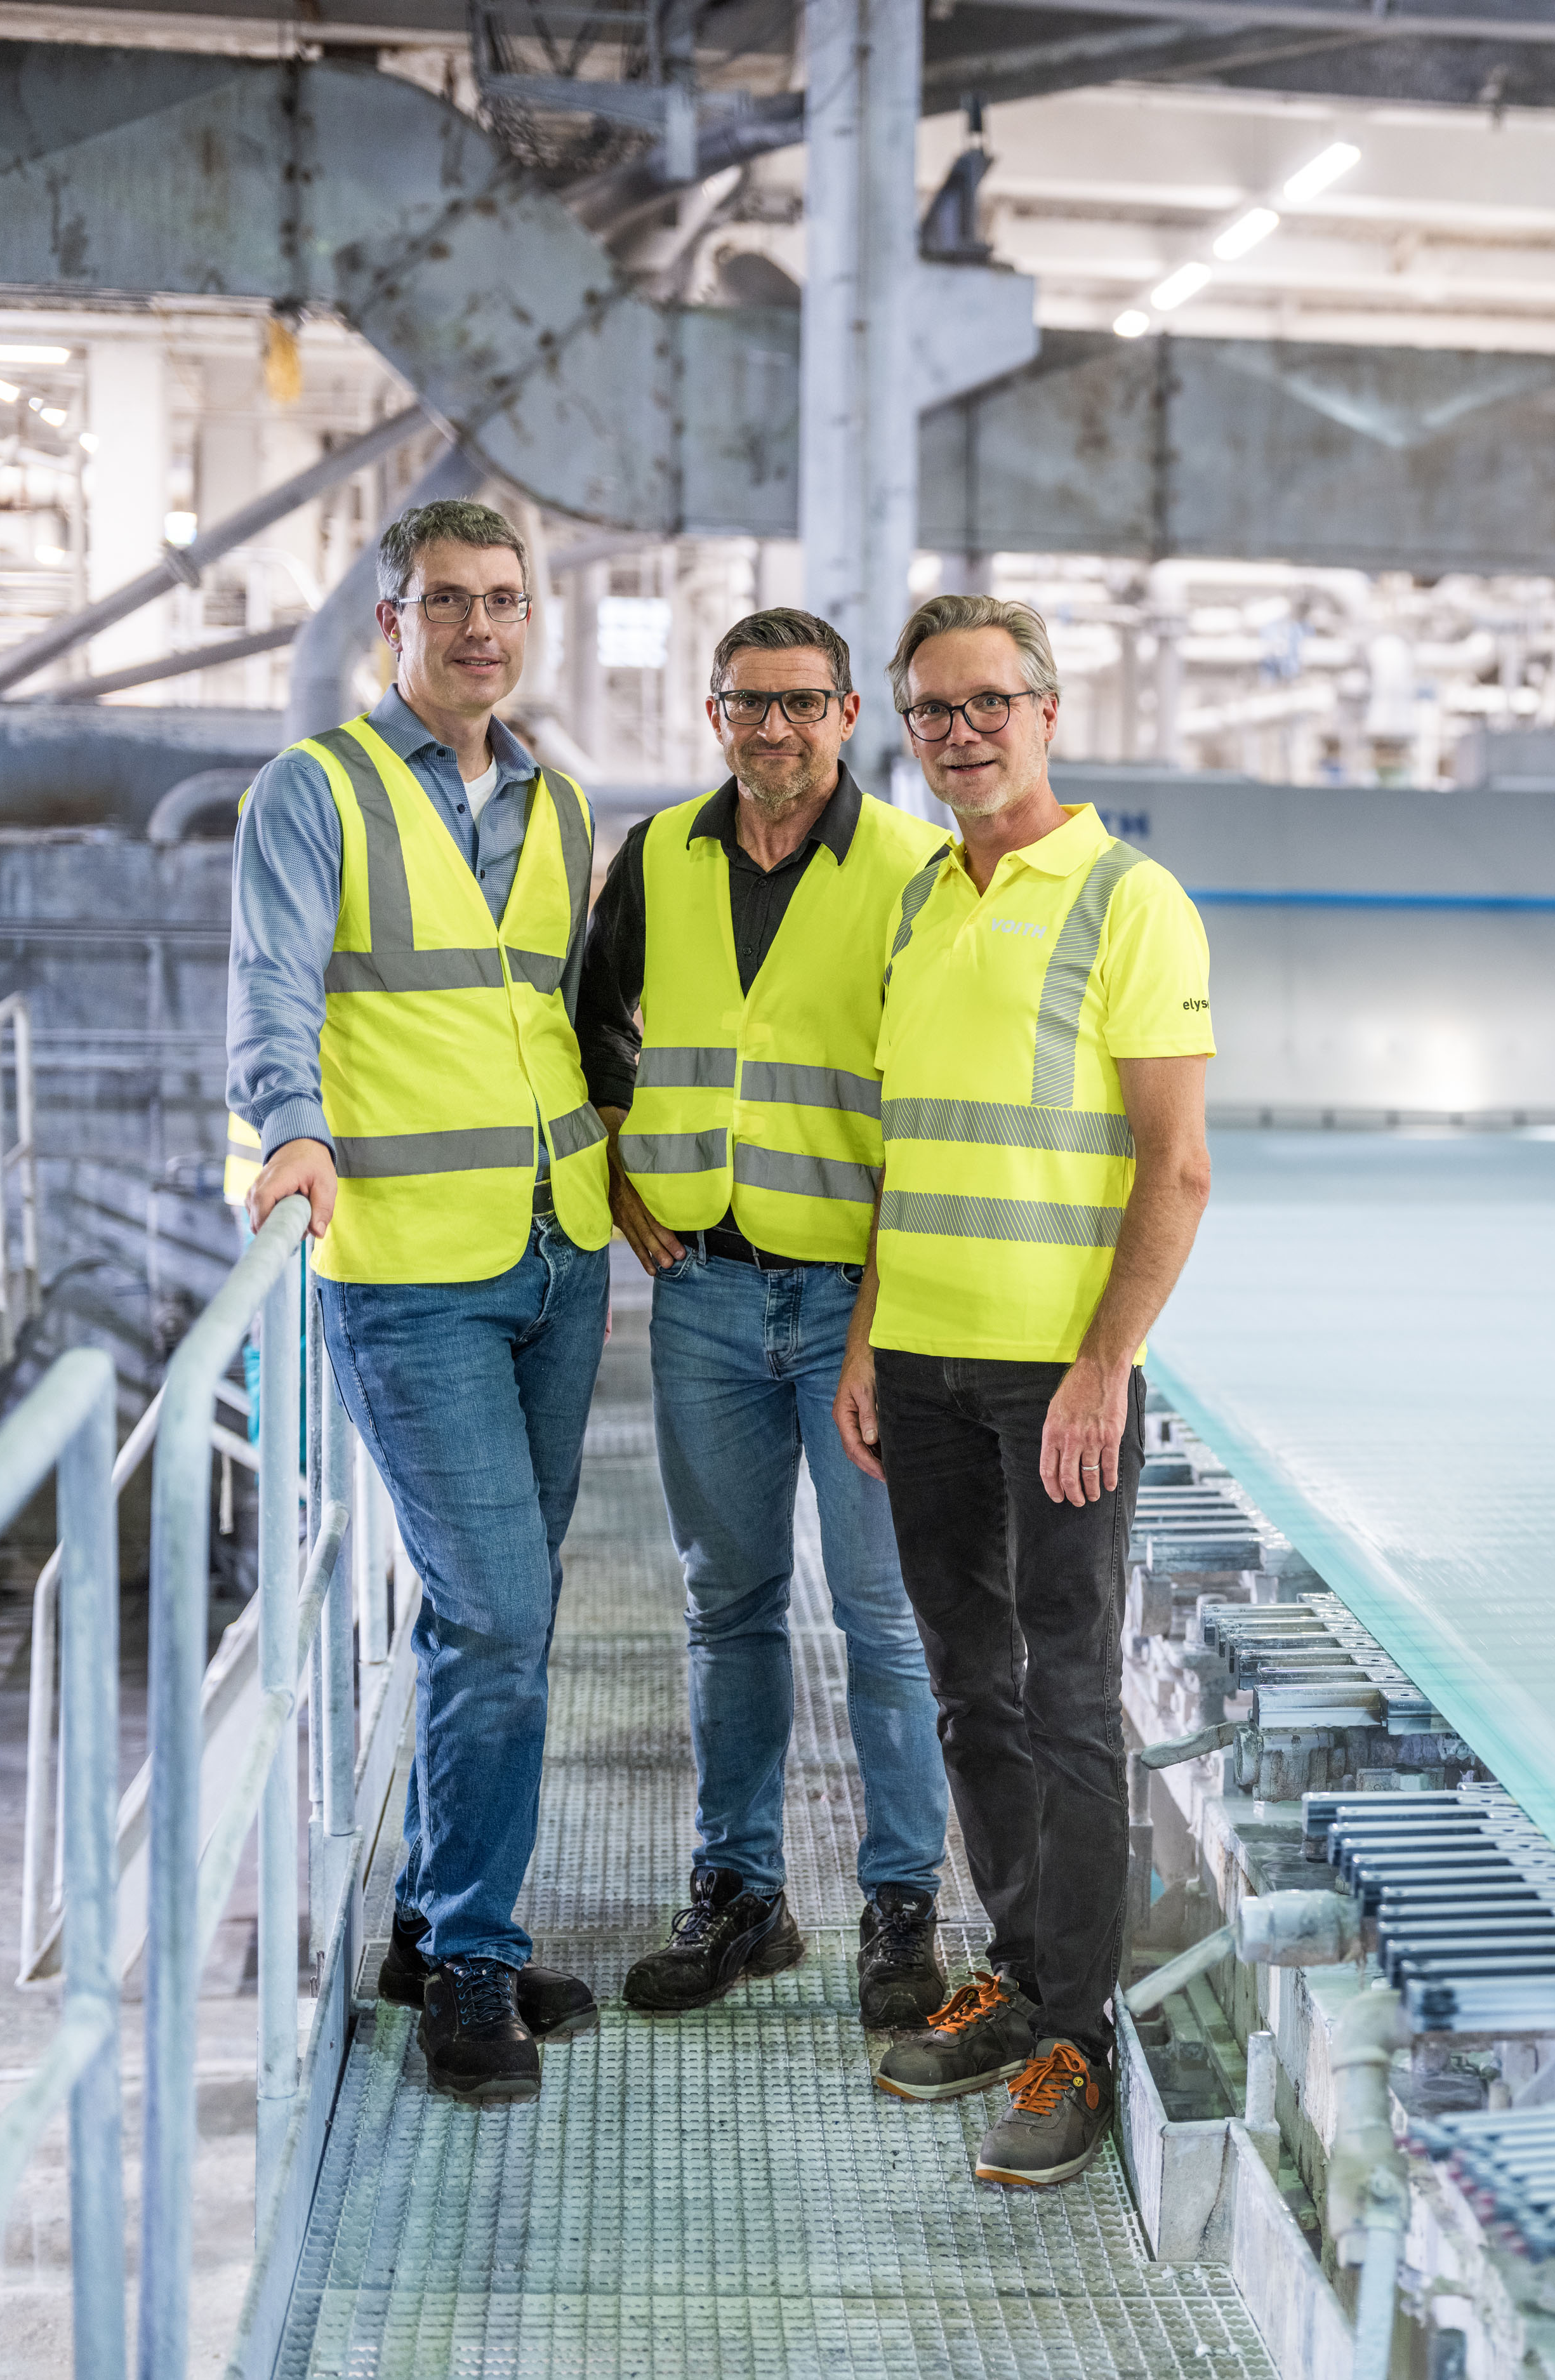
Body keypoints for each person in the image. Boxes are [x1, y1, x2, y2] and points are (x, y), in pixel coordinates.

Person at [225, 497, 609, 2105]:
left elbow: (566, 1015)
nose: (479, 630)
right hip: (409, 1272)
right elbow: (276, 982)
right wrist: (290, 1124)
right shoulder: (314, 789)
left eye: (506, 602)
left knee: (491, 1614)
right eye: (447, 602)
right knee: (505, 1612)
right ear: (392, 621)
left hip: (557, 1248)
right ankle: (469, 1965)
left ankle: (428, 1917)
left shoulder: (564, 803)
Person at [830, 593, 1215, 2190]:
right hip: (919, 1364)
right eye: (930, 711)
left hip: (1055, 1382)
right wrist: (867, 1335)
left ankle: (1072, 2035)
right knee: (970, 1689)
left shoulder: (1133, 903)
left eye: (989, 703)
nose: (960, 733)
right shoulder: (920, 900)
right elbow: (905, 1156)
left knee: (1067, 1707)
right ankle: (1016, 1974)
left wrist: (1102, 1368)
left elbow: (1176, 1168)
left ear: (1049, 711)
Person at [574, 607, 954, 2028]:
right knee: (726, 1605)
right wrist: (616, 1173)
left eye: (802, 704)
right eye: (749, 704)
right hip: (706, 1294)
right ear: (713, 713)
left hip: (858, 1300)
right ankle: (741, 1894)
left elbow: (927, 1099)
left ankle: (902, 1903)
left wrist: (880, 1315)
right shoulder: (661, 856)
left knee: (880, 1616)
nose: (774, 730)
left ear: (850, 716)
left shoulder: (914, 874)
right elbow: (597, 1022)